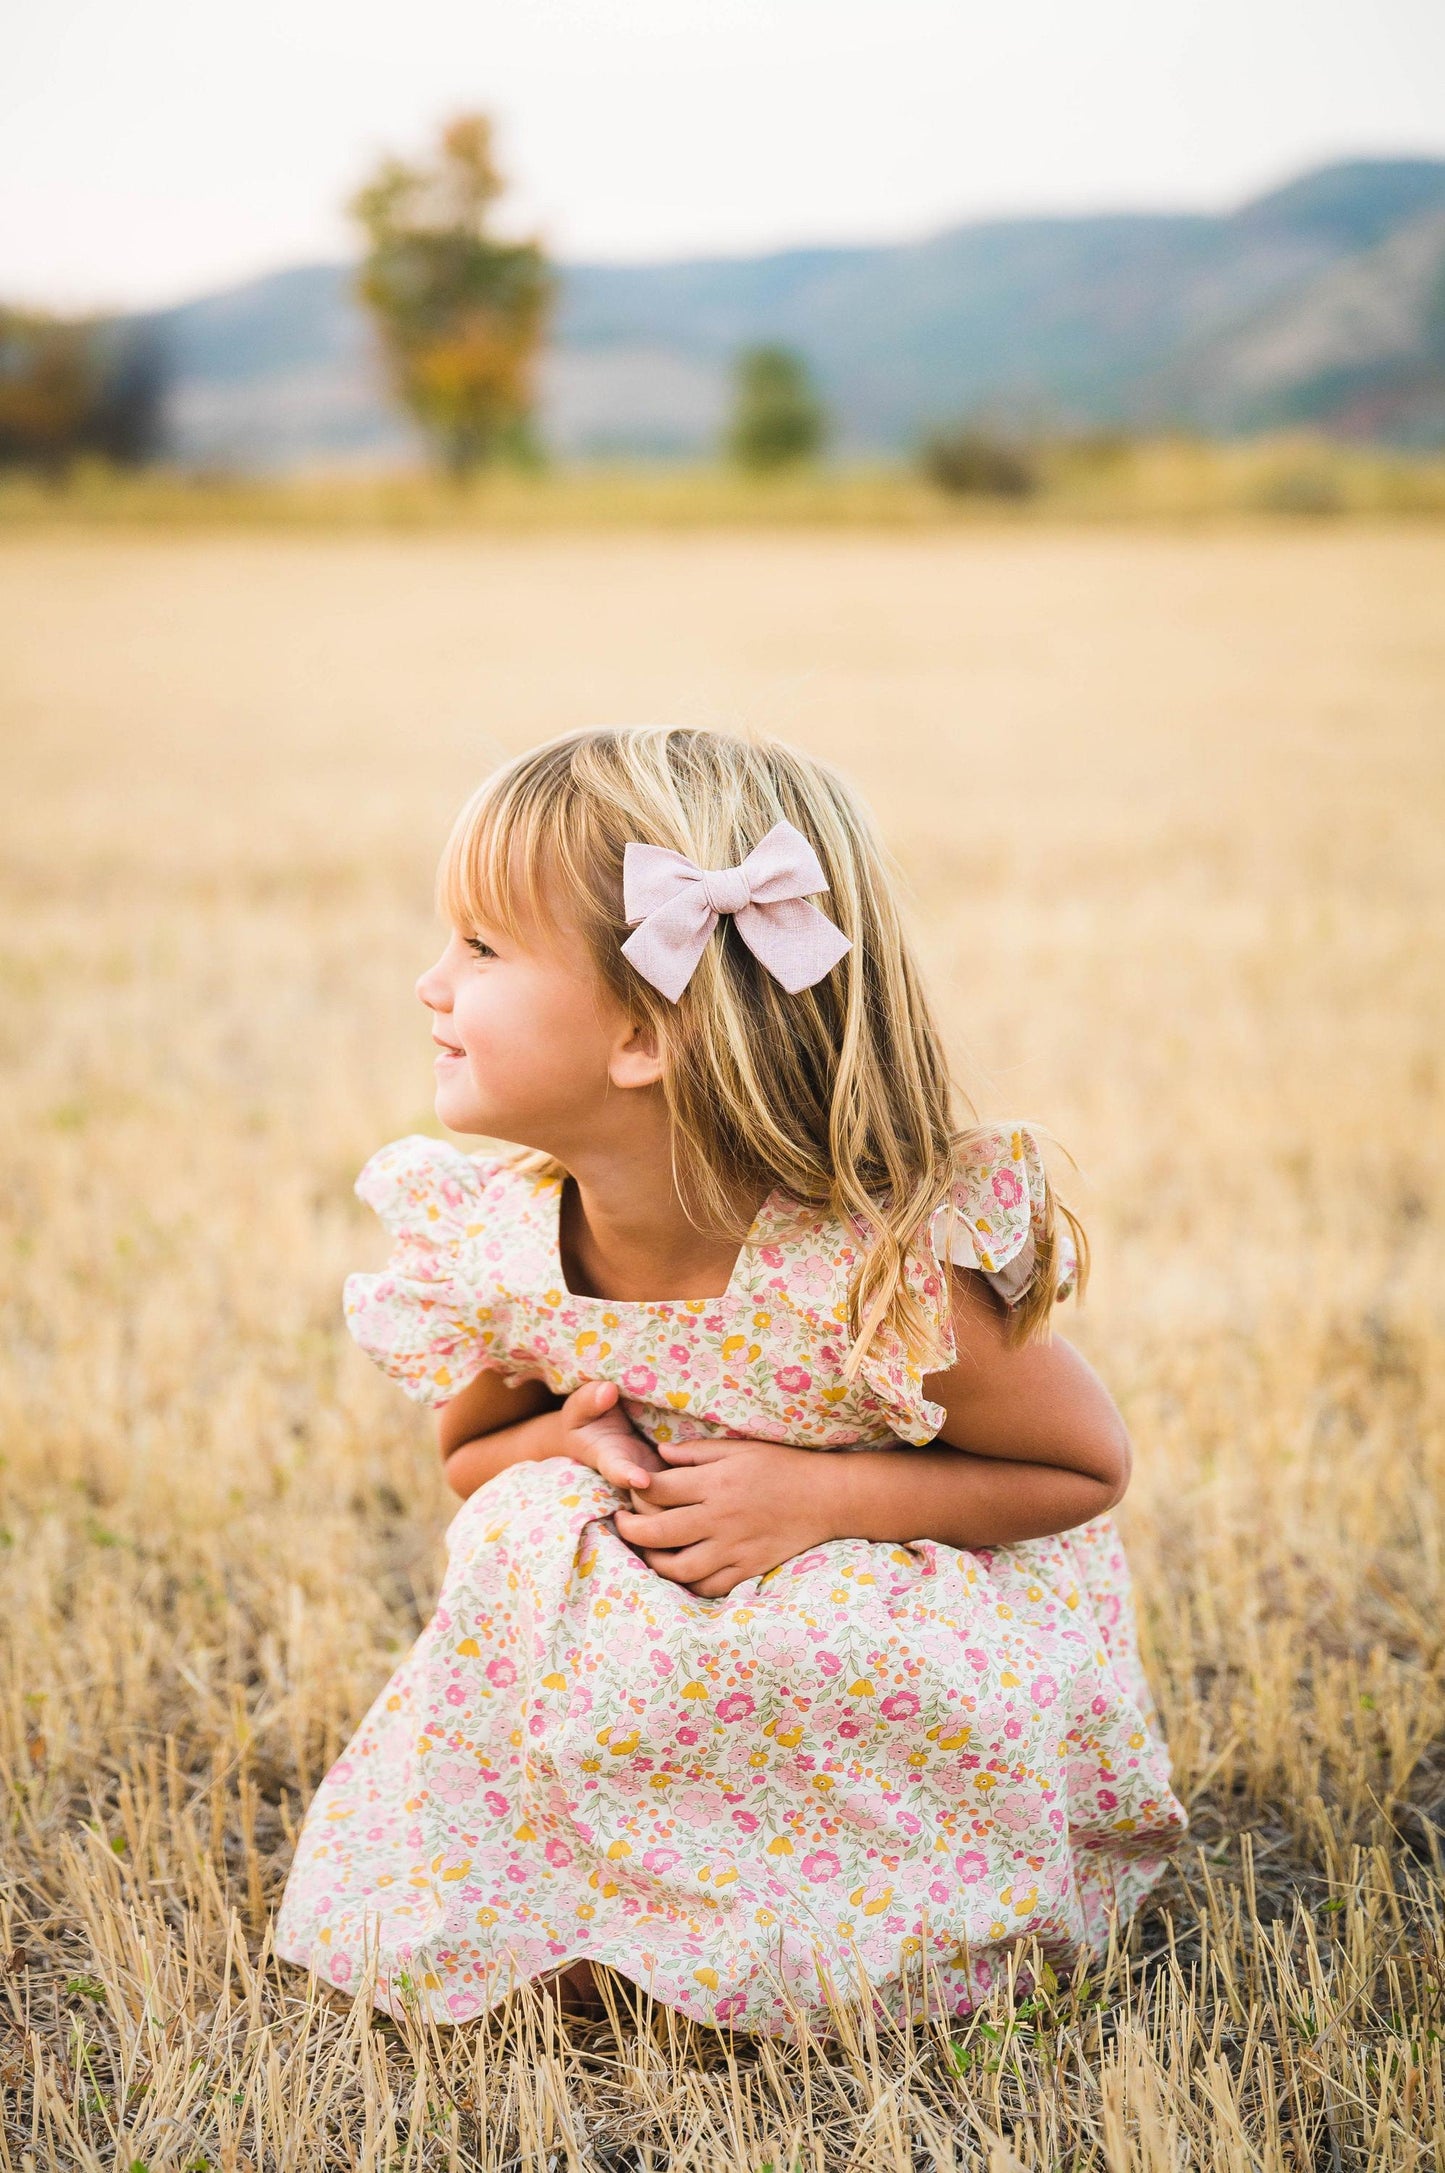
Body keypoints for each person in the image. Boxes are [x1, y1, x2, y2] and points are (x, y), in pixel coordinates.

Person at [274, 725, 1185, 2035]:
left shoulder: (868, 1267)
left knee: (806, 1622)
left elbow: (1078, 1467)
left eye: (479, 947)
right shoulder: (495, 1246)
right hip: (666, 1605)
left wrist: (820, 1498)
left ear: (644, 1032)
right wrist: (567, 1451)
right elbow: (470, 1465)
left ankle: (868, 1928)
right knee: (522, 1536)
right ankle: (596, 1903)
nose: (429, 982)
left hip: (874, 1606)